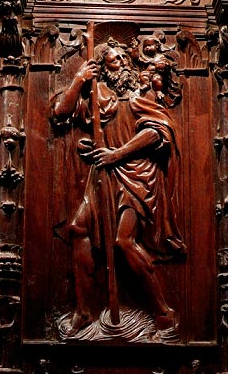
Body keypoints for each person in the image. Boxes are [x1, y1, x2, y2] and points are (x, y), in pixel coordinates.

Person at [52, 38, 186, 338]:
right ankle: (85, 311)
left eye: (125, 60)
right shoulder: (97, 94)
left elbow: (156, 133)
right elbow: (61, 113)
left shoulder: (139, 96)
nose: (124, 64)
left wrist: (116, 153)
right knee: (77, 229)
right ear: (102, 68)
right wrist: (78, 80)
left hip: (137, 177)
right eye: (116, 61)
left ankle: (163, 313)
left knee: (124, 241)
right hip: (104, 175)